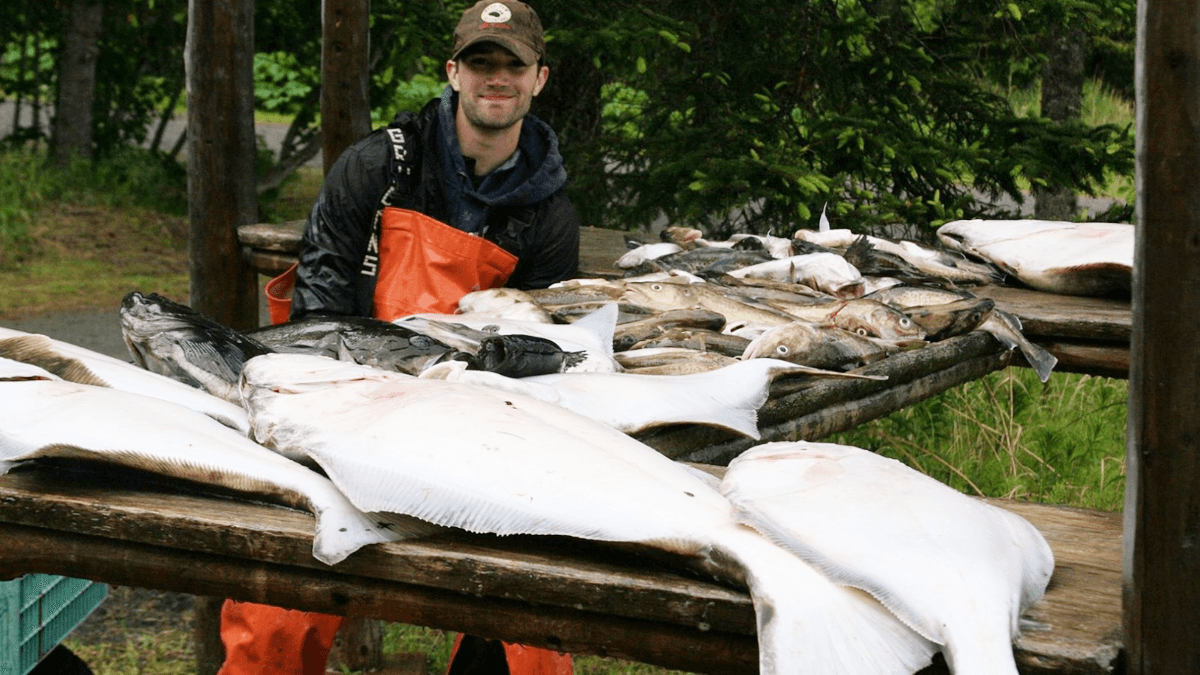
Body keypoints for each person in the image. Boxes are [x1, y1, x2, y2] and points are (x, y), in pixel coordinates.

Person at [226, 2, 580, 674]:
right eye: (481, 62)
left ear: (539, 79)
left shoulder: (549, 216)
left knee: (533, 642)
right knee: (275, 607)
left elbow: (546, 360)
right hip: (344, 416)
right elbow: (318, 309)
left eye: (514, 65)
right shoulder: (377, 167)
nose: (495, 78)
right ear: (453, 71)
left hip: (480, 438)